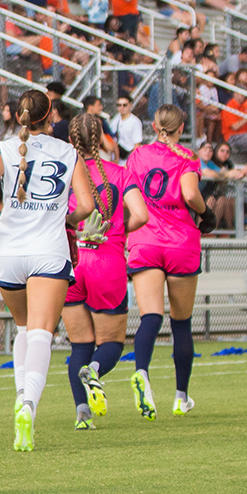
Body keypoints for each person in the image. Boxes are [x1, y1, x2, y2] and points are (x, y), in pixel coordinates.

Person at [0, 90, 95, 452]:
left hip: (10, 252)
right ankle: (28, 405)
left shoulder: (4, 150)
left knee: (24, 328)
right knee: (42, 332)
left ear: (17, 116)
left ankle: (20, 393)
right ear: (50, 115)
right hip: (48, 252)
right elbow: (87, 204)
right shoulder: (67, 152)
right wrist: (65, 219)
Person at [61, 113, 149, 431]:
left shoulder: (64, 173)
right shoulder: (119, 173)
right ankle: (95, 371)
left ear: (71, 141)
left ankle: (82, 413)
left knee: (79, 345)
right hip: (107, 261)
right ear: (102, 139)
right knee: (111, 342)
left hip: (72, 262)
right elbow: (141, 214)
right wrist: (119, 231)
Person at [122, 104, 210, 420]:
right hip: (180, 242)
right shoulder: (187, 157)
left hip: (145, 240)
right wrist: (206, 212)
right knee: (181, 323)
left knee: (150, 316)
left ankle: (142, 372)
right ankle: (181, 396)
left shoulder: (137, 156)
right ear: (180, 127)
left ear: (155, 125)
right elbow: (189, 194)